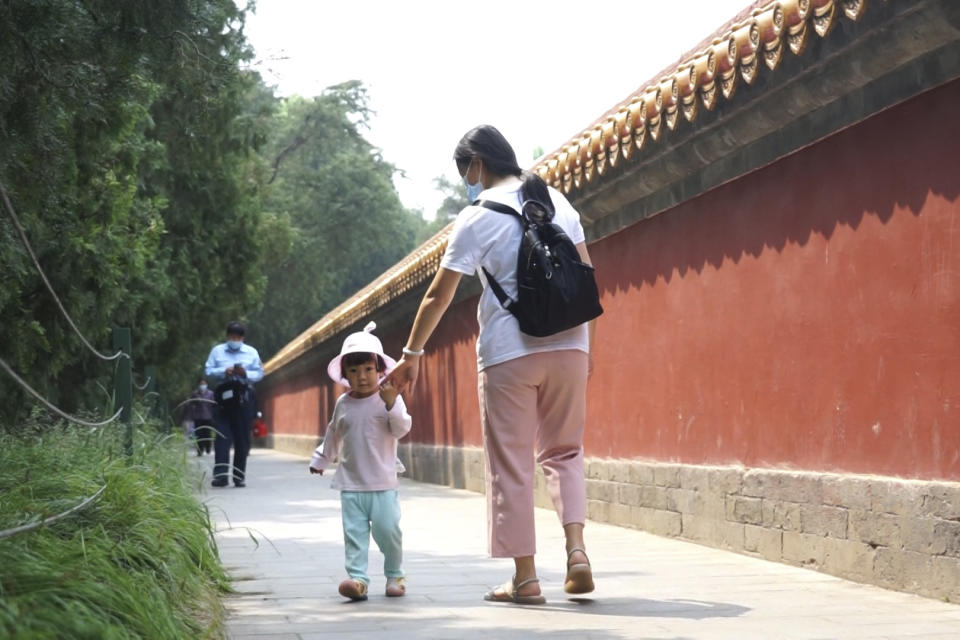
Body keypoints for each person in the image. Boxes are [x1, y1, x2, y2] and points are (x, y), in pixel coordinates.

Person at [387, 125, 597, 605]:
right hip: (571, 346)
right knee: (565, 453)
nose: (468, 181)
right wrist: (587, 353)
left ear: (477, 164)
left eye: (466, 172)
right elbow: (587, 281)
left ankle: (526, 579)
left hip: (509, 352)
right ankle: (577, 550)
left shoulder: (476, 217)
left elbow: (439, 295)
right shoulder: (559, 201)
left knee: (512, 465)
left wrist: (412, 354)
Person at [309, 322, 412, 602]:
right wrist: (321, 458)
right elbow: (333, 432)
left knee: (388, 531)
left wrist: (392, 403)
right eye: (354, 371)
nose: (362, 377)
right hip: (351, 484)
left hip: (383, 484)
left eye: (368, 369)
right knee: (354, 535)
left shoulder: (389, 398)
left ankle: (395, 574)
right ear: (345, 375)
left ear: (380, 370)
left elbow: (402, 429)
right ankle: (358, 579)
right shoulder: (343, 403)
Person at [204, 321, 264, 488]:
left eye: (237, 337)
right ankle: (221, 476)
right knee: (222, 437)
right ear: (227, 336)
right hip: (222, 400)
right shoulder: (217, 351)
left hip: (244, 400)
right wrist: (224, 371)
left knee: (242, 439)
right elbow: (208, 371)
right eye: (231, 337)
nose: (234, 340)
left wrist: (246, 373)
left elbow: (260, 374)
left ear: (242, 338)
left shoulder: (252, 352)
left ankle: (239, 476)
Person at [187, 378, 215, 456]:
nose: (203, 386)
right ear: (199, 385)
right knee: (199, 434)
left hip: (208, 417)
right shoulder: (195, 394)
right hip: (198, 417)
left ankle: (208, 447)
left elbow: (213, 404)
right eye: (201, 384)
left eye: (204, 384)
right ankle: (200, 450)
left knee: (207, 433)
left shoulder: (210, 393)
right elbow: (191, 404)